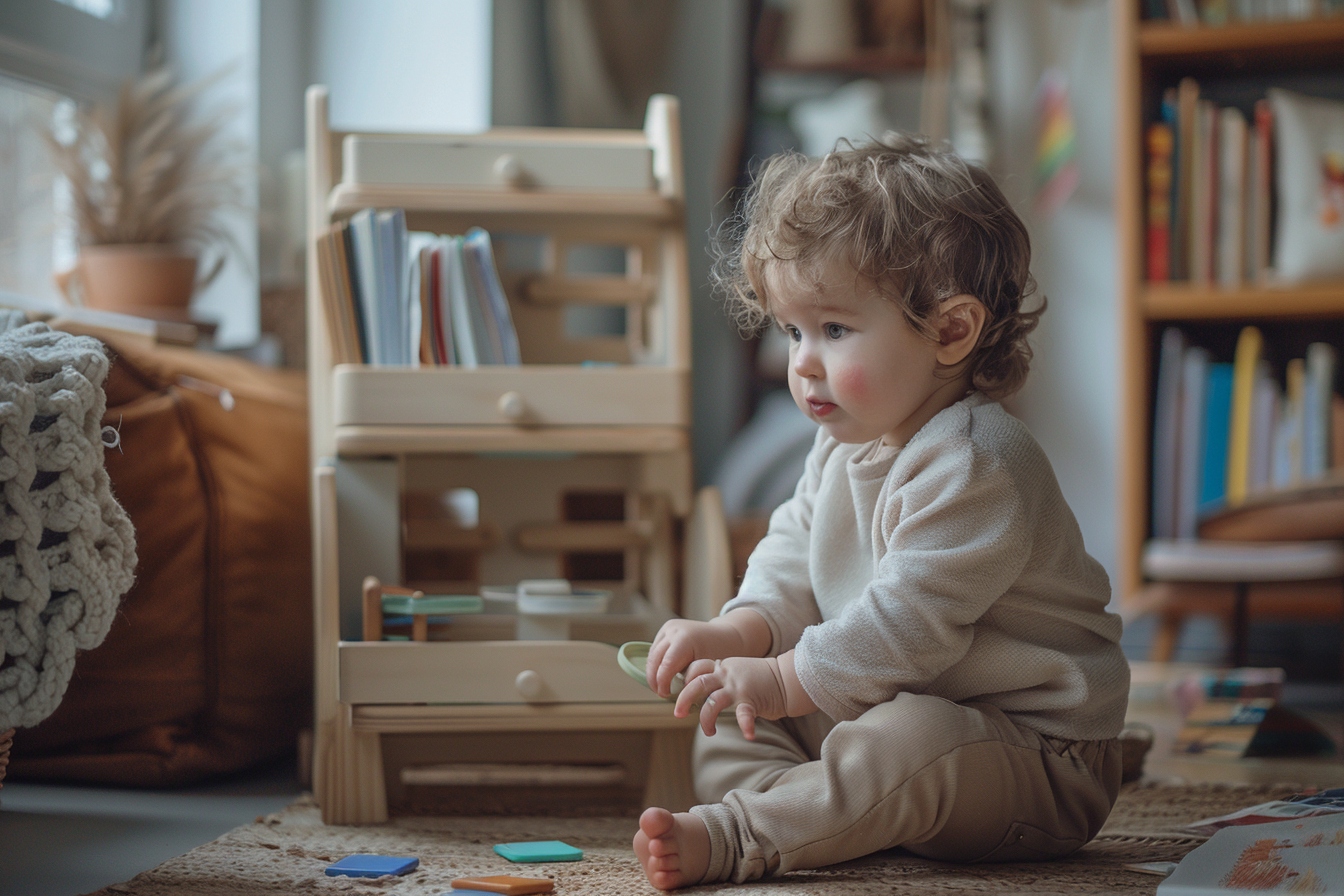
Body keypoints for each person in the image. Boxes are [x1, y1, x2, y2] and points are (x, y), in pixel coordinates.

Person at [632, 133, 1129, 890]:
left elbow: (905, 630)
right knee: (731, 715)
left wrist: (777, 676)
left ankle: (750, 833)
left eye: (834, 329)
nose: (801, 361)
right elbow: (793, 553)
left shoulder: (978, 461)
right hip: (884, 702)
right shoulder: (847, 439)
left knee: (908, 736)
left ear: (949, 332)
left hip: (1034, 757)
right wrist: (737, 633)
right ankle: (820, 815)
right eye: (793, 330)